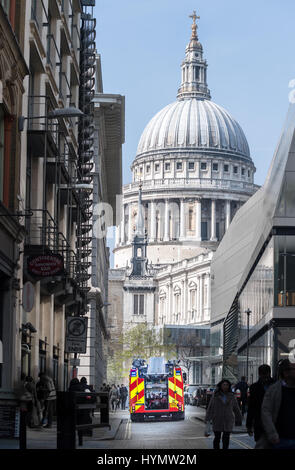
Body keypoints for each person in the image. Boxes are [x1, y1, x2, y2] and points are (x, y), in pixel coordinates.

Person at [256, 359, 295, 449]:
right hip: (280, 439)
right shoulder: (273, 390)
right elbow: (266, 412)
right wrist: (272, 433)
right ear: (286, 372)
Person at [205, 379, 242, 450]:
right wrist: (208, 419)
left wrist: (239, 418)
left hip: (228, 420)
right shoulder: (215, 396)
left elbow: (236, 408)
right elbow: (210, 408)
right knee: (217, 438)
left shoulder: (232, 396)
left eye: (227, 385)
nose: (225, 386)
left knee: (226, 439)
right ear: (220, 386)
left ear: (229, 386)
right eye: (224, 385)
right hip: (217, 420)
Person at [246, 364, 275, 442]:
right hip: (259, 421)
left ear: (269, 373)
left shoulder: (276, 385)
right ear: (259, 374)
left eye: (266, 373)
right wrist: (249, 425)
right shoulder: (254, 387)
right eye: (263, 374)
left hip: (274, 421)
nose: (265, 376)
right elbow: (251, 407)